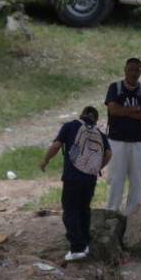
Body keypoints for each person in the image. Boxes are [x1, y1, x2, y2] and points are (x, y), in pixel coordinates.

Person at [40, 106, 112, 262]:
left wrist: (45, 160)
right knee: (84, 210)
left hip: (72, 177)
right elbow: (108, 154)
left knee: (70, 211)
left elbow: (56, 146)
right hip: (90, 178)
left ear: (82, 114)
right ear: (95, 119)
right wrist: (97, 167)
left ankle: (77, 248)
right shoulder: (100, 134)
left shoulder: (70, 126)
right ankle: (85, 243)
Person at [104, 57, 141, 216]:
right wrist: (135, 109)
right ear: (125, 70)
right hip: (117, 141)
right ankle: (111, 212)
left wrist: (125, 111)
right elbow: (113, 110)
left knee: (137, 180)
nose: (134, 73)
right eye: (131, 69)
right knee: (115, 179)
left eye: (137, 70)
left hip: (138, 141)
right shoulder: (115, 88)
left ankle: (132, 214)